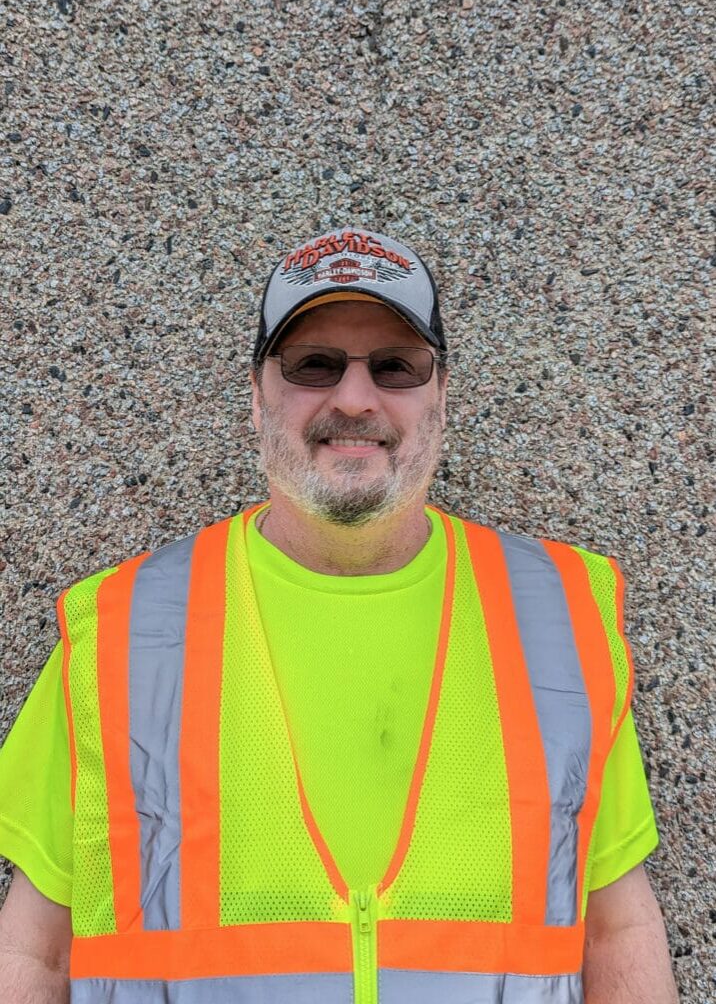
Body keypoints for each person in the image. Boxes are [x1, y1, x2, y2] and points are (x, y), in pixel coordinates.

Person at [0, 226, 679, 1003]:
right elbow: (37, 951)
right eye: (314, 364)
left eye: (394, 366)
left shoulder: (562, 619)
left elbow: (614, 931)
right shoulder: (120, 629)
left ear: (440, 398)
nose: (355, 399)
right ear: (257, 398)